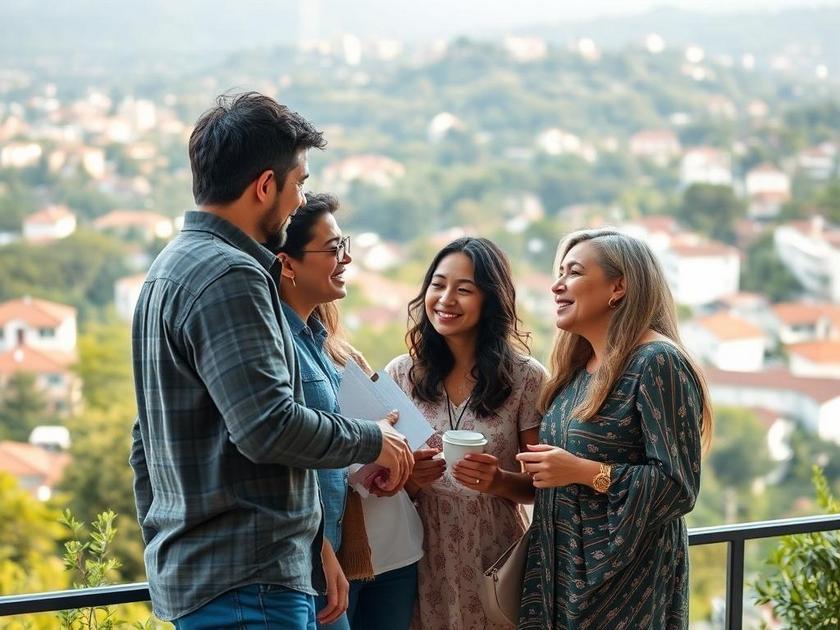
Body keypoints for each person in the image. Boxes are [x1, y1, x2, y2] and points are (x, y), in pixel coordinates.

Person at [129, 92, 412, 629]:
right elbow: (268, 428)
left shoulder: (168, 269)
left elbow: (145, 443)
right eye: (299, 183)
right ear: (265, 185)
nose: (298, 200)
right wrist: (375, 438)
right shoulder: (229, 275)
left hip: (219, 577)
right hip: (247, 583)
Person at [517, 228, 712, 629]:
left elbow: (678, 486)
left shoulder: (656, 363)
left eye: (573, 273)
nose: (557, 286)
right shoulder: (579, 368)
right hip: (560, 575)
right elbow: (561, 477)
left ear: (618, 287)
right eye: (559, 273)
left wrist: (584, 471)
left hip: (624, 587)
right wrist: (499, 480)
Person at [275, 192, 423, 630]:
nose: (347, 259)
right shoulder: (278, 346)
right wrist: (374, 439)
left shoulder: (319, 343)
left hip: (336, 552)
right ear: (287, 263)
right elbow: (284, 452)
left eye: (346, 245)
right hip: (307, 564)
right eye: (334, 248)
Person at [385, 237, 545, 630]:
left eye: (464, 289)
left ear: (490, 299)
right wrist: (410, 481)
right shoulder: (401, 375)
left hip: (497, 559)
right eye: (437, 285)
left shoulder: (526, 378)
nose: (445, 299)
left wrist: (500, 481)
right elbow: (379, 480)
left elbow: (542, 485)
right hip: (419, 556)